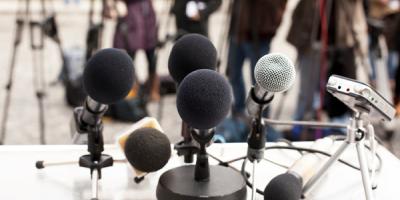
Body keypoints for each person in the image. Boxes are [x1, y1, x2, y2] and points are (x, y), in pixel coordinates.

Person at [227, 0, 287, 117]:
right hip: (237, 32)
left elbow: (278, 6)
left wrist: (271, 26)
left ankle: (261, 118)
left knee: (260, 82)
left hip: (259, 36)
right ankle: (240, 113)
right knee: (233, 75)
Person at [111, 0, 159, 101]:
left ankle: (153, 90)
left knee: (151, 56)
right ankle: (131, 88)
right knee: (130, 55)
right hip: (133, 16)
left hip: (147, 16)